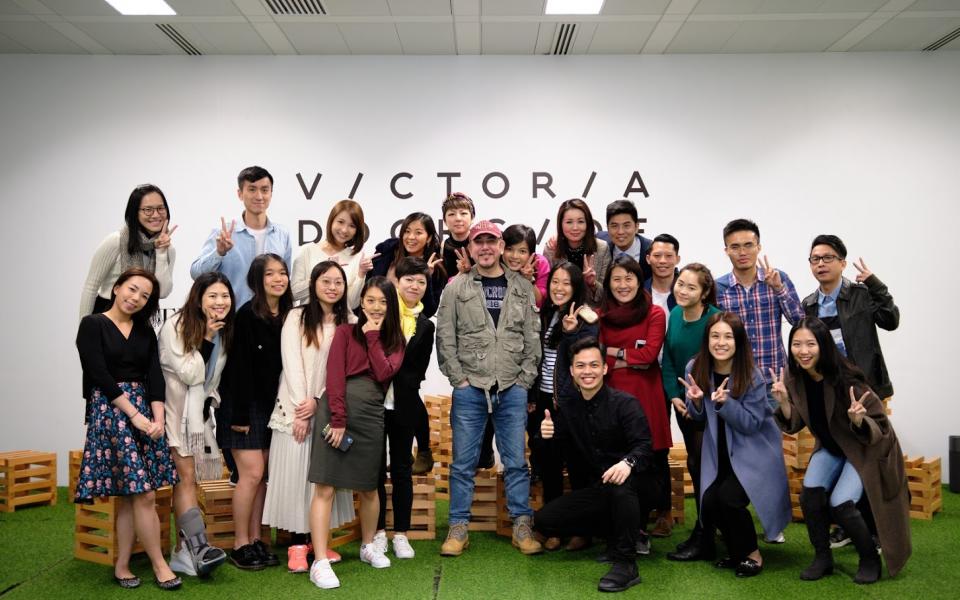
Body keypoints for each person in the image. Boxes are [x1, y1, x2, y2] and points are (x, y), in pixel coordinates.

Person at [771, 317, 910, 584]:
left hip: (864, 448)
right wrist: (785, 403)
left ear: (823, 344)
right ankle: (823, 558)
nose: (803, 351)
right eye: (797, 344)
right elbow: (795, 422)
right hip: (833, 447)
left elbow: (880, 426)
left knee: (841, 504)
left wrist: (859, 420)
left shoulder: (847, 378)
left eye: (810, 344)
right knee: (810, 496)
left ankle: (869, 558)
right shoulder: (794, 376)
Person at [435, 220, 542, 557]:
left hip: (512, 387)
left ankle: (521, 527)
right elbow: (445, 337)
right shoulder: (456, 288)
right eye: (478, 242)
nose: (484, 248)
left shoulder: (523, 288)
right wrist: (458, 379)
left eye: (490, 242)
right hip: (471, 389)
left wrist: (525, 380)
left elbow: (532, 337)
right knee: (463, 463)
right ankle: (458, 528)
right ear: (470, 248)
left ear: (500, 247)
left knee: (515, 462)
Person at [75, 268, 181, 590]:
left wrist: (158, 417)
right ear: (117, 287)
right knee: (143, 492)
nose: (136, 298)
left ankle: (122, 565)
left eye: (145, 295)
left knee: (131, 494)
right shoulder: (92, 324)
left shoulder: (146, 331)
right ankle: (160, 565)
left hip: (145, 415)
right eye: (132, 289)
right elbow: (99, 375)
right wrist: (135, 415)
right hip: (111, 411)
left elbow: (154, 376)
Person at [533, 337, 656, 593]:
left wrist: (627, 463)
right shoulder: (568, 409)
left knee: (621, 486)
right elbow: (554, 456)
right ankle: (618, 535)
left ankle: (626, 563)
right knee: (545, 520)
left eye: (593, 365)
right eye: (580, 366)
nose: (587, 371)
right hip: (600, 490)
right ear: (571, 371)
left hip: (637, 487)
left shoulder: (625, 404)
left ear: (604, 368)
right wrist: (544, 437)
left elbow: (644, 448)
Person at [803, 234, 901, 549]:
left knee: (868, 459)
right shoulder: (809, 304)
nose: (821, 263)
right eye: (815, 259)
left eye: (828, 257)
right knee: (841, 454)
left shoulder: (859, 295)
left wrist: (875, 284)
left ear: (842, 262)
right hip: (832, 395)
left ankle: (874, 530)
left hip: (866, 390)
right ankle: (847, 525)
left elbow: (891, 320)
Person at [307, 276, 405, 589]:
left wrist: (374, 337)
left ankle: (367, 546)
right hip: (337, 412)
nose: (376, 307)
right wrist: (338, 419)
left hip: (371, 417)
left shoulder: (395, 340)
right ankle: (320, 561)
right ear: (361, 301)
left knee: (369, 487)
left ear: (391, 306)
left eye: (383, 301)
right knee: (325, 487)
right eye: (370, 300)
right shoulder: (345, 333)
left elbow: (384, 373)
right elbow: (334, 376)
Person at [678, 312, 790, 578]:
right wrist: (695, 403)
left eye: (728, 336)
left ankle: (752, 553)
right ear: (706, 340)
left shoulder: (751, 375)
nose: (721, 342)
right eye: (715, 336)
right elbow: (700, 418)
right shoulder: (695, 368)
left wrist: (725, 404)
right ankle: (737, 550)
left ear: (738, 342)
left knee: (728, 498)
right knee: (710, 500)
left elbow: (751, 424)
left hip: (754, 452)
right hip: (718, 451)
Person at [262, 261, 356, 573]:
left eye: (338, 282)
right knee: (296, 478)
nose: (332, 287)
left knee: (323, 481)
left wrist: (320, 402)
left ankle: (319, 543)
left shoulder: (351, 321)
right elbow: (292, 364)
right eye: (326, 281)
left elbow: (346, 370)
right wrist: (303, 408)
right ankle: (297, 545)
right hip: (294, 409)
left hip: (329, 409)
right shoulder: (296, 317)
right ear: (314, 283)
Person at [217, 253, 292, 570]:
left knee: (263, 477)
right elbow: (239, 369)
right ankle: (240, 544)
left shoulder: (289, 314)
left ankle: (256, 539)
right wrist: (240, 418)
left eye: (282, 272)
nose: (278, 278)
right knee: (251, 475)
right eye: (270, 274)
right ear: (257, 281)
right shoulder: (247, 315)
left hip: (271, 405)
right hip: (242, 406)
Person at [158, 272, 234, 578]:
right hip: (176, 414)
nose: (219, 302)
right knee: (186, 477)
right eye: (212, 296)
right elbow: (190, 374)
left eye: (225, 296)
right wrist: (205, 338)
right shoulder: (176, 326)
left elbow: (211, 379)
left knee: (188, 480)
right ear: (199, 298)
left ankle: (185, 550)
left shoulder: (223, 331)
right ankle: (195, 548)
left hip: (199, 416)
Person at [598, 256, 671, 542]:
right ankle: (625, 525)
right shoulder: (601, 315)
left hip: (646, 394)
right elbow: (597, 354)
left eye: (629, 278)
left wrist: (612, 352)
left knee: (653, 456)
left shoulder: (654, 313)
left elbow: (648, 356)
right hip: (613, 395)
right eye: (616, 279)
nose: (623, 285)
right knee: (617, 456)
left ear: (639, 280)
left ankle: (654, 516)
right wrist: (628, 358)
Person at [529, 261, 598, 551]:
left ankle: (582, 531)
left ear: (577, 287)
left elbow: (585, 359)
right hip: (544, 399)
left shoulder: (585, 316)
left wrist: (571, 333)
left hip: (570, 402)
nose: (559, 288)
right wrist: (533, 396)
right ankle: (553, 527)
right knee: (547, 462)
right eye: (554, 282)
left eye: (566, 283)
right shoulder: (547, 313)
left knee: (579, 465)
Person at [374, 257, 436, 559]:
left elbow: (417, 372)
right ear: (396, 281)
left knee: (401, 469)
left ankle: (401, 533)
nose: (414, 286)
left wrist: (394, 374)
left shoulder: (425, 326)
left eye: (421, 281)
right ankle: (376, 534)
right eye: (408, 279)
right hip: (372, 403)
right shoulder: (379, 312)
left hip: (404, 403)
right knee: (373, 471)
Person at [661, 264, 721, 561]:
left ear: (705, 292)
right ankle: (703, 528)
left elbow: (724, 365)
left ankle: (706, 534)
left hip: (711, 406)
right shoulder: (674, 314)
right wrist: (674, 396)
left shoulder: (715, 321)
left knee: (705, 467)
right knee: (697, 465)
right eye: (680, 284)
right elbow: (670, 359)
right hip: (685, 406)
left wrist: (702, 398)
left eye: (691, 287)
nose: (682, 291)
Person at [190, 166, 292, 308]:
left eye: (264, 190)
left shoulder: (282, 234)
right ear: (240, 194)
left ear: (271, 193)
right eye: (252, 189)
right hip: (231, 320)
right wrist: (219, 253)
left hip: (270, 321)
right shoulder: (223, 233)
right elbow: (196, 273)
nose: (259, 196)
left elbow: (286, 281)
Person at [79, 184, 176, 319]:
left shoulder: (168, 249)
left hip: (140, 319)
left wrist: (160, 252)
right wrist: (84, 330)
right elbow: (91, 286)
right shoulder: (116, 241)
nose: (156, 215)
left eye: (160, 208)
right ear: (135, 213)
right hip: (107, 314)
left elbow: (162, 292)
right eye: (148, 210)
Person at [291, 199, 373, 308]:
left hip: (340, 323)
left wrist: (361, 273)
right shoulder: (307, 251)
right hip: (309, 322)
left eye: (352, 226)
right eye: (340, 222)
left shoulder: (357, 258)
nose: (344, 230)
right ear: (331, 221)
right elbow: (294, 294)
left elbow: (352, 304)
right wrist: (320, 276)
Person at [368, 212, 446, 318]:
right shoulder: (386, 253)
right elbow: (368, 289)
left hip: (410, 326)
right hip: (377, 318)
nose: (411, 237)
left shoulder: (435, 268)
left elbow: (429, 311)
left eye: (418, 233)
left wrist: (427, 277)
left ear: (429, 238)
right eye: (407, 231)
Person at [543, 199, 611, 308]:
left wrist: (592, 284)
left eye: (580, 221)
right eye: (569, 222)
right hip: (561, 311)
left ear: (588, 223)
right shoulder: (551, 250)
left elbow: (607, 295)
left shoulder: (601, 249)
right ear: (560, 224)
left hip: (593, 314)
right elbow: (548, 291)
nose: (575, 228)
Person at [596, 199, 652, 281]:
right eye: (614, 226)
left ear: (636, 227)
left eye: (626, 226)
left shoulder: (651, 249)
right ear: (607, 228)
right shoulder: (599, 243)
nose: (620, 232)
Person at [502, 224, 551, 308]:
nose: (514, 256)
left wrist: (529, 279)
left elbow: (540, 303)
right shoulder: (495, 262)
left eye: (522, 251)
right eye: (509, 249)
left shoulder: (539, 263)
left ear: (531, 253)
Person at [440, 192, 476, 278]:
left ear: (472, 218)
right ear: (444, 221)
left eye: (463, 213)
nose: (458, 218)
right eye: (452, 214)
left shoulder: (481, 244)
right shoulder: (441, 248)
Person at [644, 233, 680, 318]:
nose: (663, 261)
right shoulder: (639, 292)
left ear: (677, 259)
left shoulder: (686, 292)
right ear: (648, 259)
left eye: (669, 256)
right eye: (657, 256)